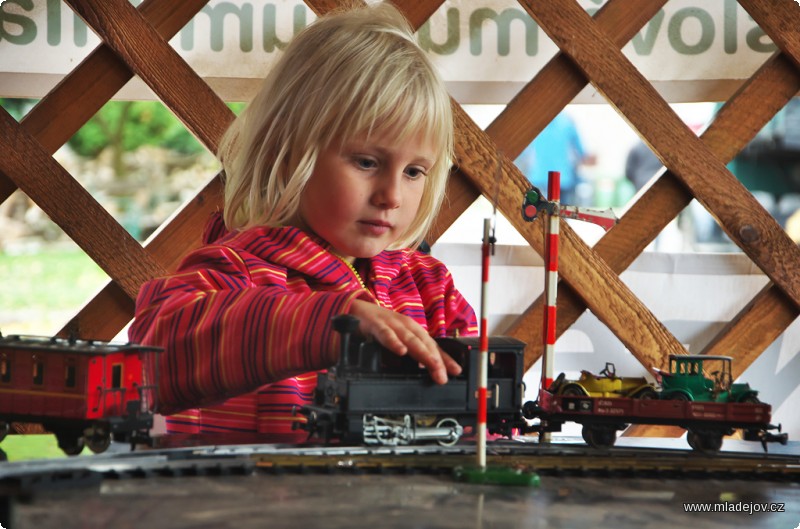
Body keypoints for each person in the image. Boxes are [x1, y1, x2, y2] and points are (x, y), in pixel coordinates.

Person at [128, 2, 477, 439]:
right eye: (367, 162)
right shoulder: (236, 271)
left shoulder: (430, 290)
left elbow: (477, 419)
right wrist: (330, 322)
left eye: (414, 172)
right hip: (250, 504)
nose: (392, 196)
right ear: (288, 152)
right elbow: (150, 359)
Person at [514, 112, 595, 206]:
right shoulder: (567, 122)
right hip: (562, 179)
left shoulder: (533, 123)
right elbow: (582, 153)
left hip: (539, 177)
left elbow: (522, 152)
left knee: (539, 216)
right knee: (560, 215)